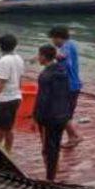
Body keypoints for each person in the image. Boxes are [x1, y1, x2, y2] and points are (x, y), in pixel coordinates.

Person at [34, 44, 73, 181]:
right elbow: (68, 94)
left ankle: (50, 178)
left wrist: (36, 118)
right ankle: (53, 174)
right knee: (55, 146)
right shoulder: (62, 70)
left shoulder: (45, 75)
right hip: (62, 115)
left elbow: (42, 99)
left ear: (44, 57)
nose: (38, 58)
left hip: (48, 117)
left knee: (47, 148)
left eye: (39, 55)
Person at [0, 33, 25, 152]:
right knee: (8, 127)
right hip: (16, 96)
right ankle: (7, 150)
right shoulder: (19, 58)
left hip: (5, 99)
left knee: (1, 128)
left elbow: (2, 81)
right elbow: (20, 79)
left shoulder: (4, 60)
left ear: (0, 46)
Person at [49, 25, 82, 148]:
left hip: (69, 85)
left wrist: (50, 55)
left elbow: (64, 59)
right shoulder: (71, 43)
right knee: (66, 113)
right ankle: (72, 138)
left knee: (63, 114)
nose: (53, 42)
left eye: (53, 39)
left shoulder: (66, 46)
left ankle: (75, 136)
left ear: (59, 38)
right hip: (74, 84)